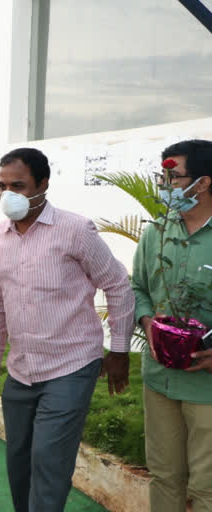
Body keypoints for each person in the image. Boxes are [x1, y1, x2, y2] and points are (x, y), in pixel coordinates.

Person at [0, 148, 134, 512]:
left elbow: (117, 285)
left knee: (49, 461)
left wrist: (119, 350)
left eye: (18, 185)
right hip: (21, 369)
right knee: (19, 461)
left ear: (43, 184)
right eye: (2, 186)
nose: (8, 195)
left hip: (71, 365)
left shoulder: (75, 230)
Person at [131, 139, 212, 512]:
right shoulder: (158, 232)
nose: (165, 186)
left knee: (207, 486)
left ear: (204, 183)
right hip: (160, 378)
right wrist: (148, 323)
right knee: (164, 477)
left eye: (173, 177)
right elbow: (139, 288)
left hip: (206, 386)